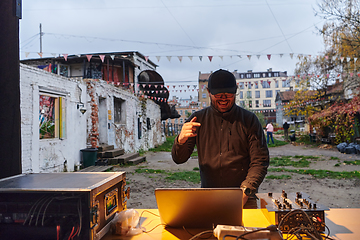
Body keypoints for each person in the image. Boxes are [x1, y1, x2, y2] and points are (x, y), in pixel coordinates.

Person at [171, 69, 269, 206]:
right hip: (209, 195)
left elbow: (260, 161)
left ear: (235, 91)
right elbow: (179, 159)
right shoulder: (197, 120)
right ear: (209, 92)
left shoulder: (249, 120)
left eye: (228, 94)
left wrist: (246, 190)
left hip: (244, 196)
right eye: (218, 94)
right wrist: (180, 141)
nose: (223, 98)